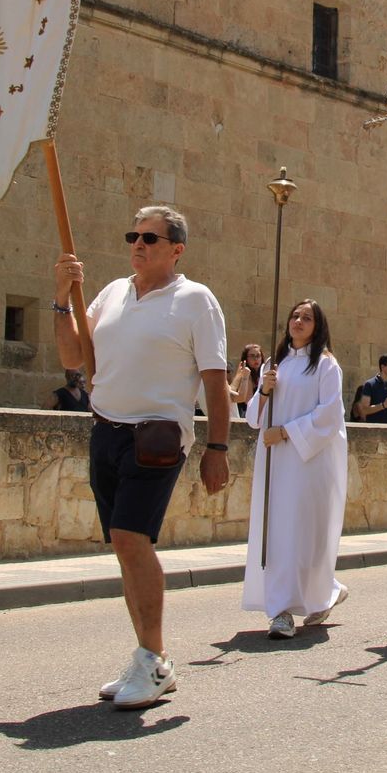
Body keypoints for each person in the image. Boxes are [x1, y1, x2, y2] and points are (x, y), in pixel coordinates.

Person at [53, 204, 230, 709]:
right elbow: (72, 358)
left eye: (150, 238)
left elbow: (215, 385)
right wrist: (62, 300)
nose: (138, 244)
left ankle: (154, 658)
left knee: (132, 540)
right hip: (105, 431)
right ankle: (146, 658)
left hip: (156, 440)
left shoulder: (196, 301)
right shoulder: (110, 292)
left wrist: (217, 448)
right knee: (124, 547)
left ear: (176, 249)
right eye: (133, 234)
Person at [243, 300, 349, 640]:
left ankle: (323, 591)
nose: (298, 321)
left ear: (318, 327)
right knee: (277, 533)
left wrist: (286, 432)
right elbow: (254, 419)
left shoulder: (326, 366)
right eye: (295, 316)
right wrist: (264, 391)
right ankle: (281, 612)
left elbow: (330, 415)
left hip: (309, 461)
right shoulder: (274, 365)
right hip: (276, 461)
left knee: (306, 534)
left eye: (307, 318)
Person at [351, 354, 387, 424]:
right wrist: (383, 405)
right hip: (375, 429)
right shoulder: (369, 384)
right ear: (383, 367)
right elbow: (364, 410)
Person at [230, 344, 265, 418]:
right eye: (252, 356)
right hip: (246, 414)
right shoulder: (245, 375)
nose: (256, 359)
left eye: (258, 356)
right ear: (246, 359)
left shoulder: (263, 374)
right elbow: (248, 401)